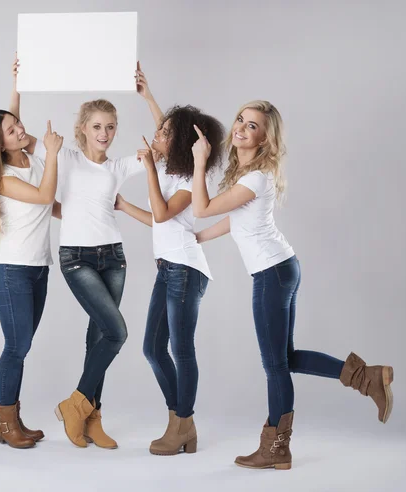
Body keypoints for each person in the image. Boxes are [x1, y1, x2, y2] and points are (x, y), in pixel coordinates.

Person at [191, 100, 394, 470]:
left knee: (275, 366)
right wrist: (199, 239)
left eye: (252, 126)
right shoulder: (250, 176)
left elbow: (203, 207)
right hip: (281, 268)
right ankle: (368, 378)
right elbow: (237, 221)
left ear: (266, 138)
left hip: (272, 274)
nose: (240, 128)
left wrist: (199, 161)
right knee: (284, 360)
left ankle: (276, 448)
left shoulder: (254, 178)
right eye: (240, 120)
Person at [11, 55, 146, 449]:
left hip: (114, 258)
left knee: (100, 336)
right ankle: (75, 406)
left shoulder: (119, 166)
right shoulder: (65, 157)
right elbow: (11, 134)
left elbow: (163, 145)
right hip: (77, 258)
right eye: (97, 126)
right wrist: (18, 85)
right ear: (82, 129)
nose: (104, 133)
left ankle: (89, 416)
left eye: (110, 127)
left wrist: (147, 93)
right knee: (117, 331)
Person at [115, 65, 225, 455]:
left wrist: (146, 167)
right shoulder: (167, 169)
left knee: (180, 348)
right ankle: (183, 423)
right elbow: (156, 222)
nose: (157, 135)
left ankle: (180, 424)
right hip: (169, 267)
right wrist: (147, 95)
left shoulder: (188, 180)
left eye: (165, 135)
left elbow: (162, 215)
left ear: (176, 144)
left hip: (185, 269)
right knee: (152, 347)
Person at [0, 105, 63, 448]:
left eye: (18, 124)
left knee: (20, 348)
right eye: (11, 131)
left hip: (39, 267)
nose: (20, 129)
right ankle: (5, 423)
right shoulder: (0, 176)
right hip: (12, 270)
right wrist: (52, 152)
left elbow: (53, 206)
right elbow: (43, 196)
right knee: (17, 346)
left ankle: (11, 421)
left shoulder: (34, 162)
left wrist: (88, 216)